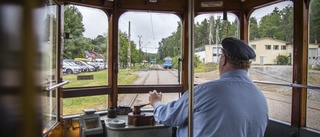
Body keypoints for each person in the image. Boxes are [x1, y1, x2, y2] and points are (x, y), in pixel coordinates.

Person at [149, 37, 268, 137]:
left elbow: (170, 117)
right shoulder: (260, 97)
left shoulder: (207, 91)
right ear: (247, 66)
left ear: (224, 60)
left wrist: (156, 103)